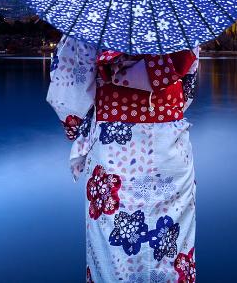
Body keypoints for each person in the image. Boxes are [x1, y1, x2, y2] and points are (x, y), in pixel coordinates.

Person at [46, 35, 199, 283]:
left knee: (112, 257)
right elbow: (188, 89)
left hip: (114, 149)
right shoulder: (180, 24)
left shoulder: (96, 22)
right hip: (170, 147)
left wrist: (77, 127)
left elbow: (67, 97)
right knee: (171, 250)